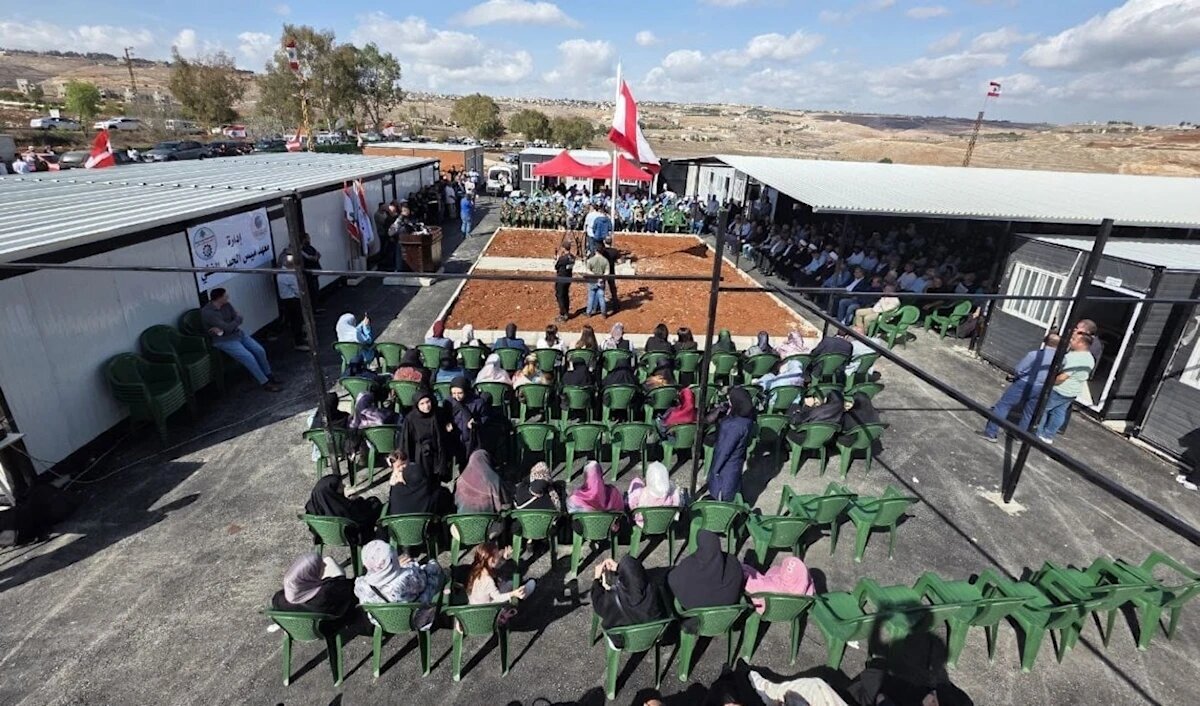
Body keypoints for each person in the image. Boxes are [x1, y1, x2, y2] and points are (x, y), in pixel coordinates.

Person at [980, 333, 1058, 442]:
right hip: (1042, 387)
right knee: (1029, 412)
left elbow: (1019, 369)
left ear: (1045, 342)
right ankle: (1020, 436)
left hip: (1025, 383)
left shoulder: (1034, 354)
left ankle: (991, 433)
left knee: (1003, 405)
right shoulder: (1061, 360)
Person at [201, 288, 280, 392]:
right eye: (225, 295)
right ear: (219, 298)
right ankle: (264, 382)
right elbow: (230, 325)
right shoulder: (208, 313)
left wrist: (233, 322)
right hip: (224, 340)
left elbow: (236, 320)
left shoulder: (227, 305)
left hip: (238, 334)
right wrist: (235, 321)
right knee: (248, 357)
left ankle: (269, 375)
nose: (228, 297)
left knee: (259, 350)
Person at [354, 540, 444, 628]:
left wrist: (394, 566)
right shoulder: (407, 578)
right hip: (414, 620)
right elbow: (423, 579)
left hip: (381, 622)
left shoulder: (361, 584)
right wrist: (408, 566)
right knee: (433, 570)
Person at [591, 555, 667, 647]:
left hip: (623, 642)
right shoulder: (652, 589)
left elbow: (596, 601)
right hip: (655, 636)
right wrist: (620, 568)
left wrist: (596, 579)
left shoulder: (609, 602)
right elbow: (634, 575)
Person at [1037, 332, 1095, 444]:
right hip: (1073, 391)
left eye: (1073, 339)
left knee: (1043, 409)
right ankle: (1048, 435)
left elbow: (1063, 377)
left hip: (1060, 389)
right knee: (1059, 412)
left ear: (1081, 343)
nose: (1070, 341)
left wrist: (1048, 382)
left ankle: (1038, 432)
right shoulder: (1090, 358)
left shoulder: (1073, 357)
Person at [668, 530, 745, 614]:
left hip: (694, 615)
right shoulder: (732, 562)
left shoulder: (688, 564)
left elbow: (672, 579)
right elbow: (739, 579)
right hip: (726, 616)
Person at [272, 553, 358, 622]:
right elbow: (352, 587)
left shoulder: (279, 599)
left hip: (308, 629)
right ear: (308, 575)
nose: (324, 565)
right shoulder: (327, 592)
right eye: (320, 565)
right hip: (332, 624)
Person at [706, 387, 755, 501]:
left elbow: (724, 452)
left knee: (721, 494)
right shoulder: (747, 419)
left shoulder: (734, 426)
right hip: (736, 463)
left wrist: (715, 471)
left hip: (725, 469)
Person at [305, 474, 382, 545]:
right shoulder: (344, 508)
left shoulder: (312, 506)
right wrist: (356, 500)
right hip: (349, 537)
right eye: (340, 486)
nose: (344, 486)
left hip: (324, 536)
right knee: (374, 503)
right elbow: (361, 516)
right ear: (332, 491)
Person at [466, 541, 535, 616]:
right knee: (531, 584)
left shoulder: (477, 569)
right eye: (497, 555)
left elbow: (495, 567)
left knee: (510, 583)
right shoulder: (488, 580)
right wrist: (513, 594)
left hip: (476, 605)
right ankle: (510, 606)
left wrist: (504, 557)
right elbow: (497, 598)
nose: (499, 555)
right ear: (492, 560)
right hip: (488, 610)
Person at [399, 389, 450, 482]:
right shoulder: (411, 419)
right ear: (417, 405)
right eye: (422, 404)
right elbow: (406, 441)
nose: (426, 406)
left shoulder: (437, 414)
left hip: (436, 452)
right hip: (420, 455)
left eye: (428, 402)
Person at [386, 450, 453, 516]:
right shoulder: (431, 494)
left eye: (404, 465)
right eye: (398, 467)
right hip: (422, 525)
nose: (402, 469)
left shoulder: (395, 490)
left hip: (399, 525)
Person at [742, 556, 815, 613]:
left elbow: (752, 584)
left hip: (767, 609)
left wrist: (744, 570)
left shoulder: (768, 586)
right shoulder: (803, 587)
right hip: (795, 610)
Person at [627, 461, 687, 525]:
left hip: (646, 525)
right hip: (665, 524)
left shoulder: (643, 494)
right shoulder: (672, 495)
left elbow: (635, 511)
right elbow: (678, 505)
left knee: (636, 481)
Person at [455, 449, 512, 514]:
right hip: (487, 520)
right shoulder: (493, 478)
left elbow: (456, 501)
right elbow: (504, 501)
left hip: (463, 519)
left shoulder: (461, 480)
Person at [275, 256, 309, 351]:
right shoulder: (288, 275)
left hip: (286, 300)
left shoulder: (281, 272)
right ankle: (299, 342)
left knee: (295, 321)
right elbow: (298, 289)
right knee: (297, 321)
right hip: (292, 300)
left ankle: (300, 338)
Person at [554, 240, 575, 322]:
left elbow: (556, 267)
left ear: (563, 248)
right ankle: (566, 311)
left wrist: (556, 259)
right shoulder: (572, 257)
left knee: (560, 296)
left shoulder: (562, 258)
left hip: (561, 278)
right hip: (568, 278)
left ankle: (563, 314)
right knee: (565, 295)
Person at [586, 247, 608, 316]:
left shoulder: (590, 260)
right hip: (601, 281)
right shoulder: (605, 260)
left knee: (591, 297)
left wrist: (594, 275)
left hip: (592, 281)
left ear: (596, 251)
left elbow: (587, 271)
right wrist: (601, 277)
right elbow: (607, 272)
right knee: (601, 297)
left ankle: (589, 312)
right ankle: (603, 313)